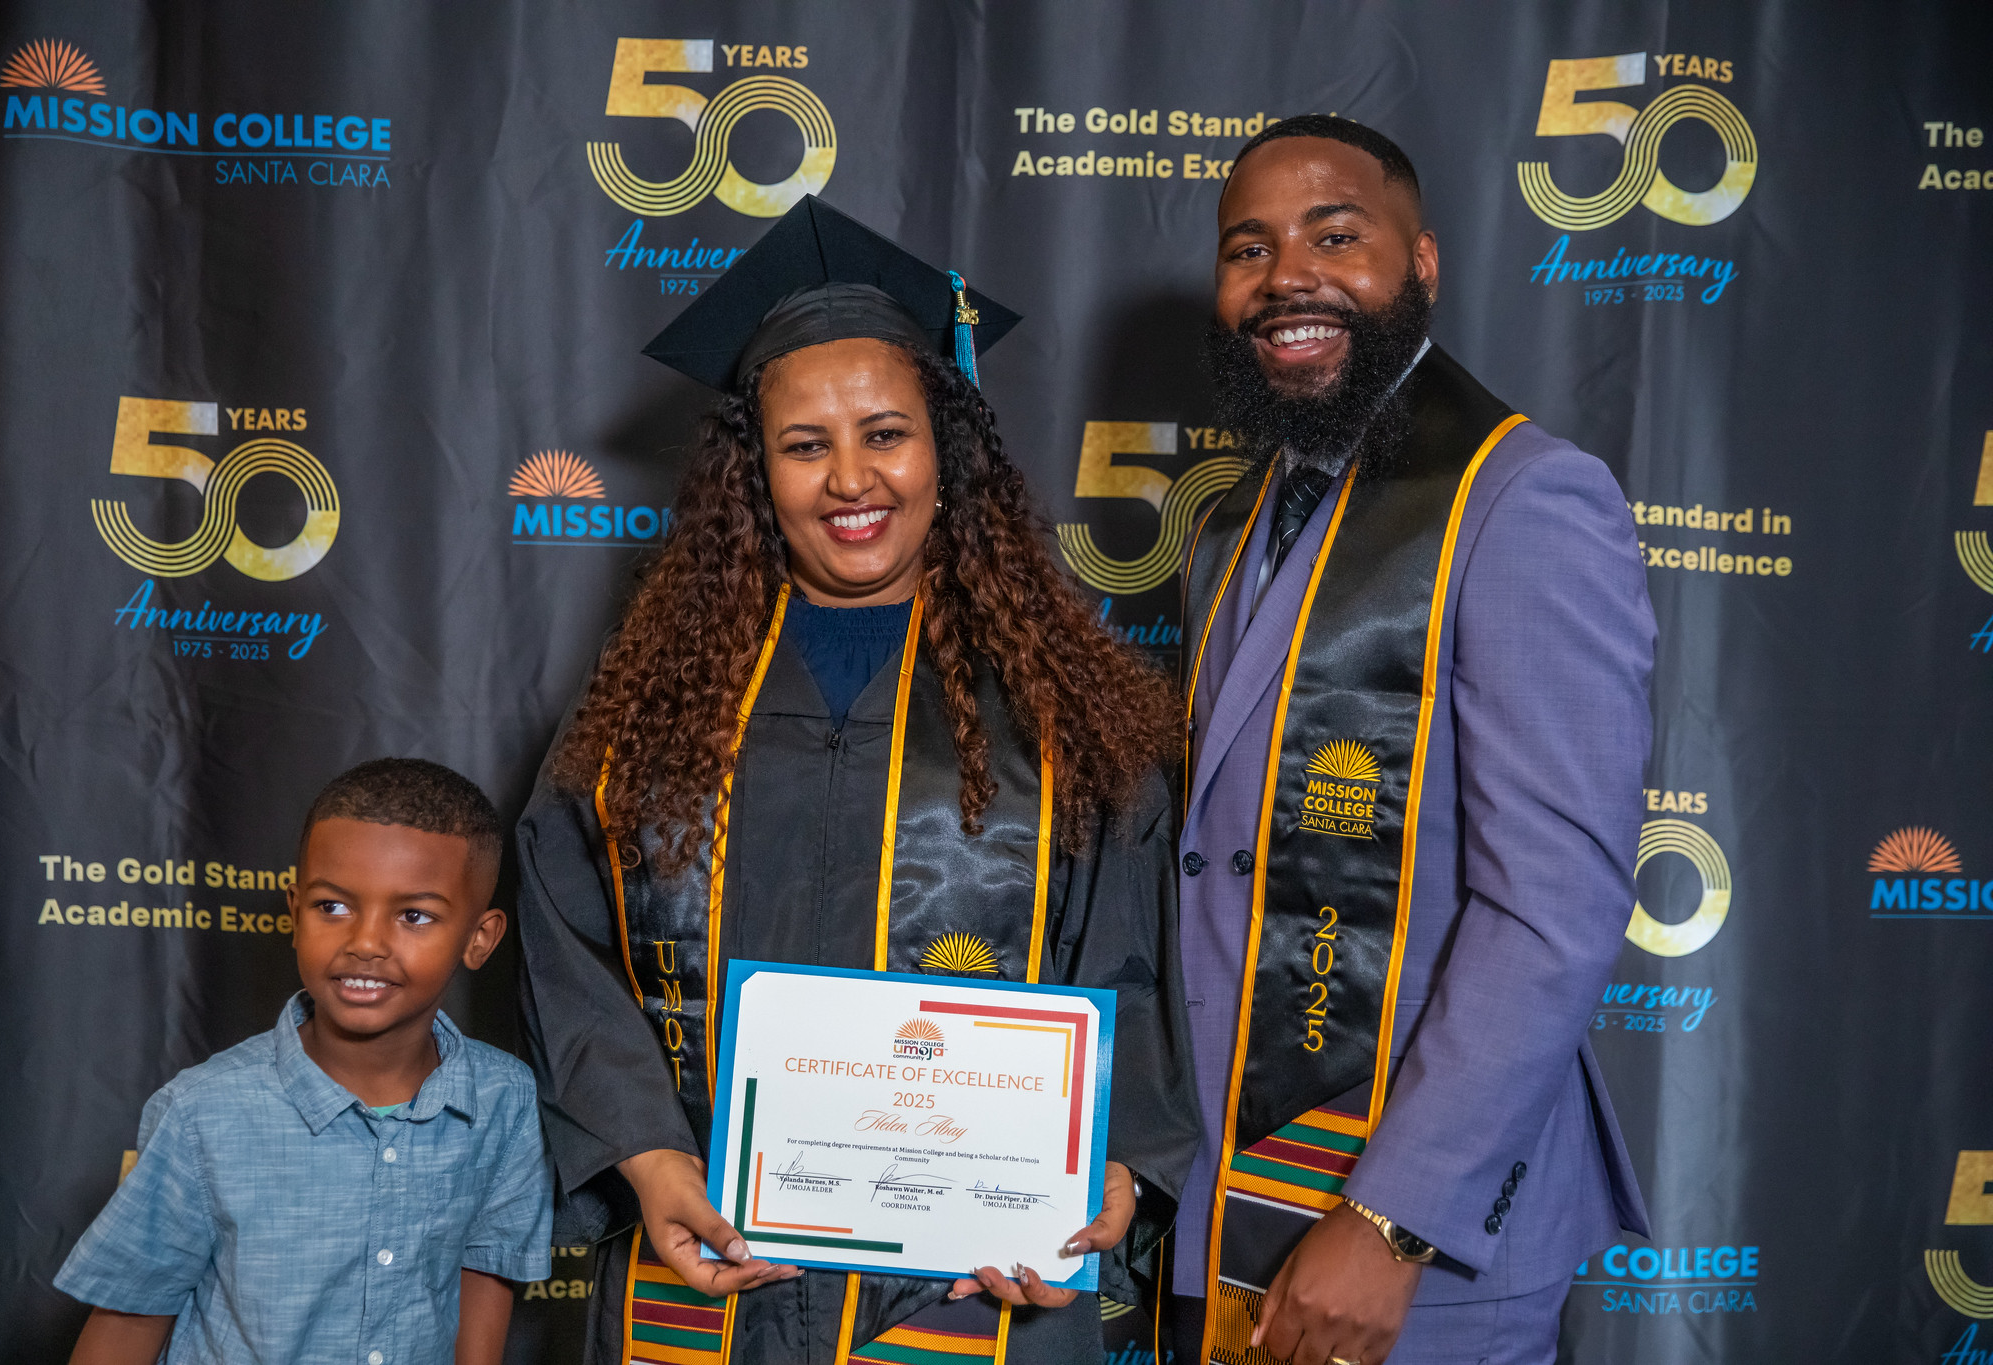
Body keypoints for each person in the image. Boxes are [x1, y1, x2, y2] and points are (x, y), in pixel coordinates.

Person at [516, 196, 1200, 1365]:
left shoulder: (1058, 712)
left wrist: (1107, 1171)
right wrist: (642, 1148)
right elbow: (562, 933)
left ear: (947, 448)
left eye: (883, 432)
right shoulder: (655, 702)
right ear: (753, 474)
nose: (849, 480)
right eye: (802, 444)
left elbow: (1126, 970)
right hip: (714, 1261)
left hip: (971, 1288)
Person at [1167, 116, 1655, 1365]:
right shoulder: (1234, 525)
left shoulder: (1525, 500)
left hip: (1410, 1244)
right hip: (1230, 1206)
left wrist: (1391, 1222)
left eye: (1337, 236)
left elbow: (1550, 908)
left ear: (1422, 263)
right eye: (1248, 249)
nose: (1287, 278)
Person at [54, 758, 553, 1365]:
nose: (365, 943)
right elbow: (127, 1325)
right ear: (294, 912)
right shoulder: (203, 1112)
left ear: (480, 938)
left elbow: (485, 1272)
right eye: (333, 907)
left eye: (414, 916)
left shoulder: (506, 1098)